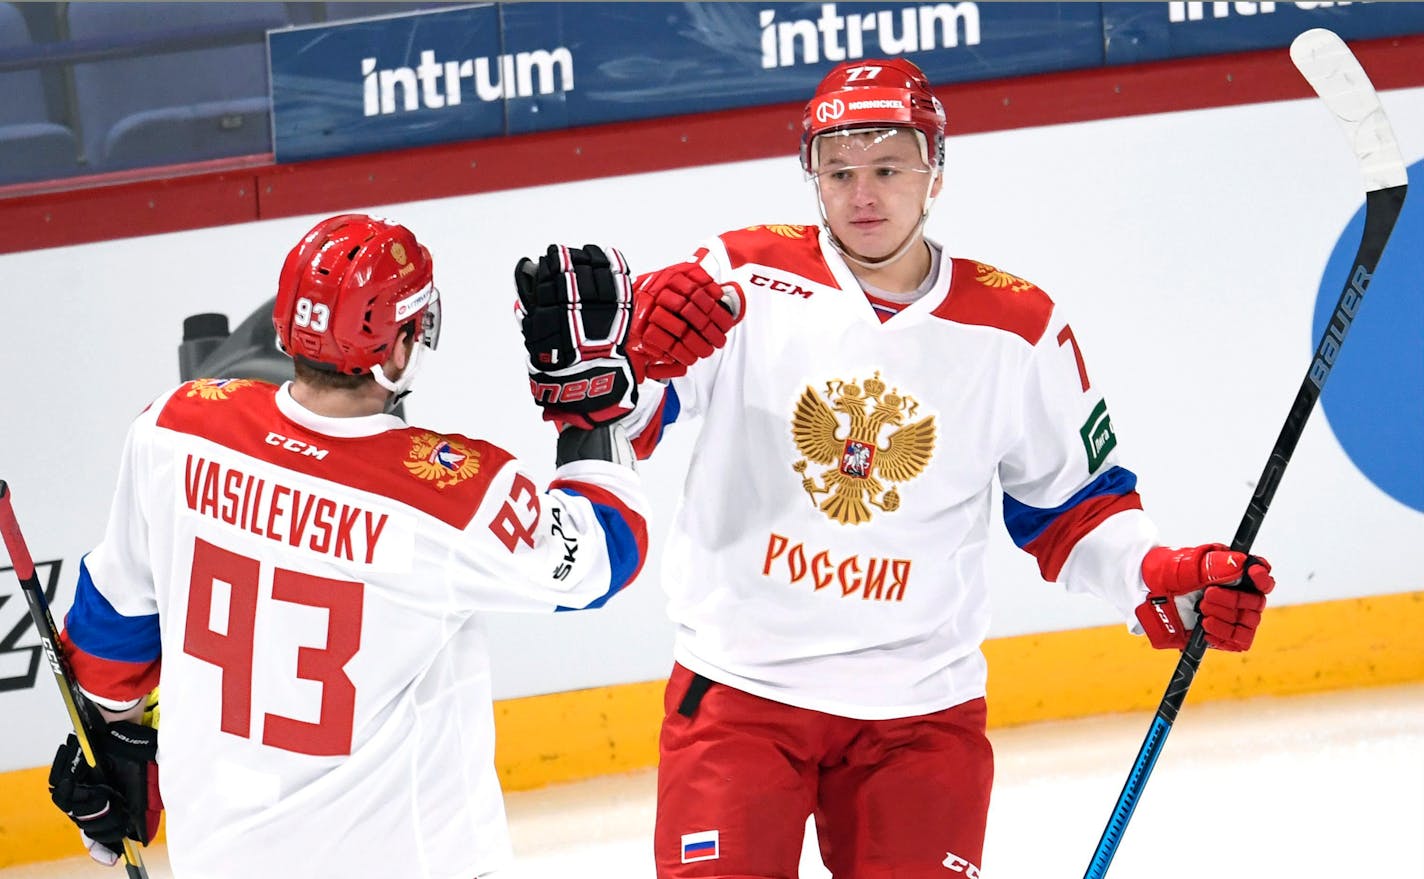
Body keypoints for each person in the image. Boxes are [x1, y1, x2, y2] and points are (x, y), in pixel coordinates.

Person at [527, 59, 1277, 878]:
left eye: (889, 169)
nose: (864, 195)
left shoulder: (1018, 329)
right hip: (740, 695)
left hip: (921, 717)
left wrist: (1158, 577)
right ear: (812, 175)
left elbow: (1075, 509)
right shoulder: (739, 278)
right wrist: (612, 372)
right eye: (840, 172)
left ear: (936, 172)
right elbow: (637, 420)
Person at [45, 215, 650, 878]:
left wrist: (108, 744)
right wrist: (587, 401)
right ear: (396, 350)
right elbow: (604, 554)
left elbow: (109, 637)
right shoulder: (449, 494)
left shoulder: (176, 429)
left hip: (221, 860)